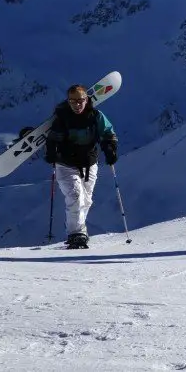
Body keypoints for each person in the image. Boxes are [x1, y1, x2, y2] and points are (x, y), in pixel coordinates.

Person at [44, 84, 119, 249]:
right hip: (66, 165)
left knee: (86, 200)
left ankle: (78, 230)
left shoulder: (95, 116)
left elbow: (108, 133)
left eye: (80, 100)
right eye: (73, 101)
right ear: (68, 101)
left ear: (86, 100)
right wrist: (51, 152)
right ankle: (76, 234)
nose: (77, 104)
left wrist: (110, 148)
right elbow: (53, 139)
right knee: (76, 197)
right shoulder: (63, 118)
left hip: (90, 164)